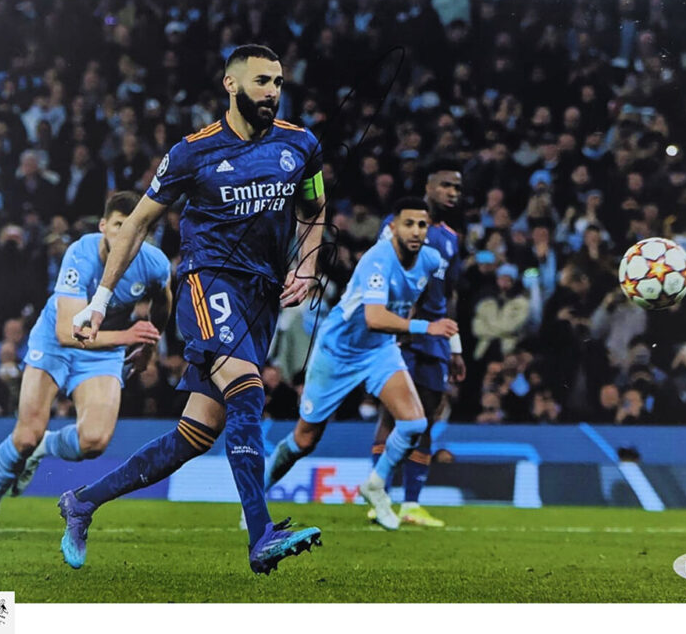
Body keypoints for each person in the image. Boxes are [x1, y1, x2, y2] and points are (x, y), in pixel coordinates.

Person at [59, 45, 325, 575]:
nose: (272, 91)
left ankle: (82, 501)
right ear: (231, 85)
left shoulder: (302, 144)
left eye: (277, 81)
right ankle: (260, 534)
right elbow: (136, 224)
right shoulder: (191, 152)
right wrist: (101, 300)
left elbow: (314, 208)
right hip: (209, 283)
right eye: (260, 81)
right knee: (248, 389)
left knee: (194, 435)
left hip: (263, 295)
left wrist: (309, 267)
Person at [0, 191, 172, 537]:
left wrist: (150, 346)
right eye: (118, 225)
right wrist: (130, 336)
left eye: (135, 227)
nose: (126, 234)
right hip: (57, 340)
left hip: (105, 347)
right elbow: (69, 331)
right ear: (102, 227)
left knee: (94, 442)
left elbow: (163, 300)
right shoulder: (80, 255)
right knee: (24, 435)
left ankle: (44, 447)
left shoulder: (153, 264)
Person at [264, 198, 459, 531]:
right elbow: (374, 317)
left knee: (414, 423)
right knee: (305, 440)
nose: (415, 231)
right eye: (408, 223)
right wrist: (424, 328)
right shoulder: (377, 259)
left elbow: (422, 303)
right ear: (393, 227)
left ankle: (375, 484)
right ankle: (256, 493)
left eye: (422, 225)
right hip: (337, 351)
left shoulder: (429, 260)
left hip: (379, 351)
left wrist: (440, 341)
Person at [368, 160, 466, 528]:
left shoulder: (451, 238)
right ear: (429, 186)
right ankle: (379, 497)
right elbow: (385, 273)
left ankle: (410, 505)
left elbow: (450, 295)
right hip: (404, 332)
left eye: (457, 188)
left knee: (425, 417)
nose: (452, 193)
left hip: (437, 339)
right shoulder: (397, 228)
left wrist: (455, 348)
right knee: (393, 415)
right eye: (446, 185)